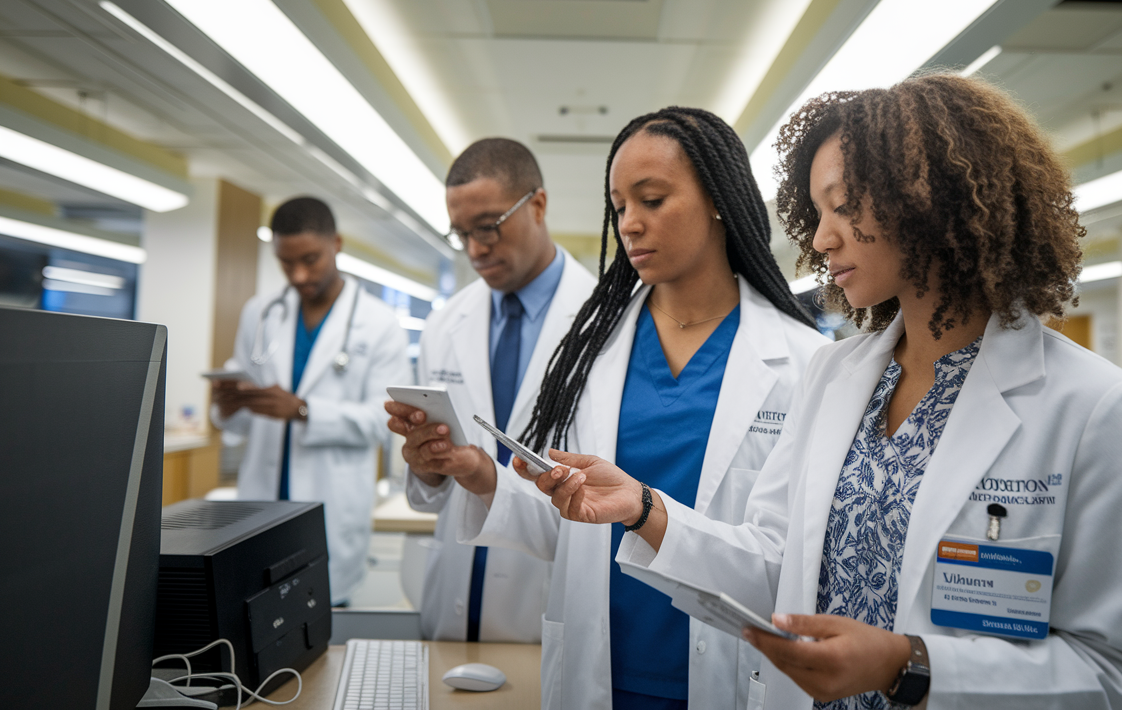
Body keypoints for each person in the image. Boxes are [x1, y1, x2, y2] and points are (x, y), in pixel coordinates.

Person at [530, 75, 1122, 709]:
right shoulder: (835, 377)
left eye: (842, 206)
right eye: (816, 212)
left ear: (929, 201)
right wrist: (643, 508)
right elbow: (775, 567)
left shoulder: (1096, 412)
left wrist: (909, 667)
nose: (819, 237)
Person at [391, 107, 829, 710]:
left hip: (727, 672)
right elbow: (571, 522)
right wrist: (478, 471)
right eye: (619, 207)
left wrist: (645, 509)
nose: (630, 225)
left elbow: (792, 562)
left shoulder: (805, 362)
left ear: (721, 200)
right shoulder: (590, 347)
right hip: (599, 670)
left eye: (652, 200)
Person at [386, 138, 596, 642]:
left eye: (488, 227)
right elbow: (431, 498)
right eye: (461, 234)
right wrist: (427, 465)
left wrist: (489, 476)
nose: (476, 248)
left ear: (538, 205)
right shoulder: (446, 323)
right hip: (455, 590)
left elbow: (606, 490)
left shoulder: (607, 324)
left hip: (546, 597)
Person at [212, 196, 411, 605]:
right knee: (253, 614)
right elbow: (245, 414)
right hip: (262, 500)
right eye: (286, 263)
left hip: (330, 505)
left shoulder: (378, 324)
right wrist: (229, 408)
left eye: (311, 259)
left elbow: (383, 419)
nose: (299, 274)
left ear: (336, 243)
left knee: (321, 623)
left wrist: (304, 411)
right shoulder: (261, 312)